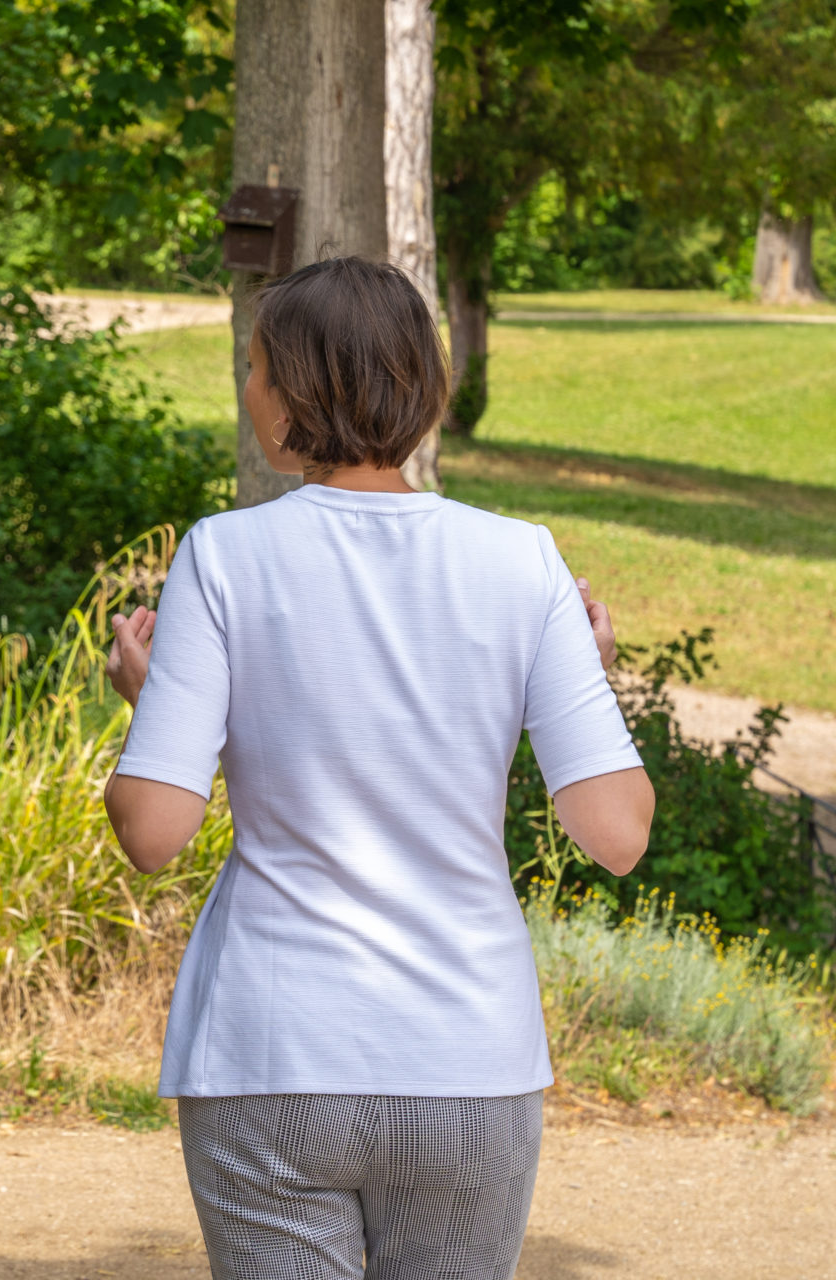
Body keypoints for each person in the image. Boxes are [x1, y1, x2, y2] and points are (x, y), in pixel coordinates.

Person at [102, 257, 653, 1280]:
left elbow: (151, 831)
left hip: (271, 1050)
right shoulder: (524, 560)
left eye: (257, 367)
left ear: (296, 390)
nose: (250, 387)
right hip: (470, 1058)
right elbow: (617, 834)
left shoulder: (224, 556)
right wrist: (591, 679)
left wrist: (163, 708)